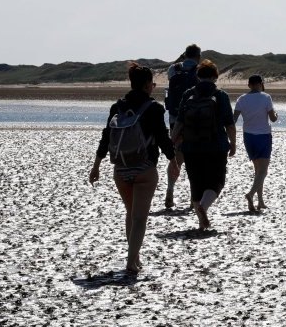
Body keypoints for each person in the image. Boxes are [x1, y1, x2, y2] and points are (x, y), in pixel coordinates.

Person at [89, 62, 176, 279]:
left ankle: (134, 257)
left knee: (131, 213)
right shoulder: (154, 108)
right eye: (152, 83)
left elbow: (106, 136)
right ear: (148, 85)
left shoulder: (117, 107)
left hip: (121, 169)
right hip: (145, 169)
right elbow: (162, 138)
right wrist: (173, 160)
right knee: (139, 218)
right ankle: (131, 261)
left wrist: (97, 164)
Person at [170, 59, 236, 232]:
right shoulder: (221, 95)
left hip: (191, 146)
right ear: (215, 76)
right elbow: (229, 124)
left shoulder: (188, 94)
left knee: (196, 182)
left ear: (198, 76)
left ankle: (201, 220)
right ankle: (203, 208)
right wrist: (233, 143)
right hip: (216, 146)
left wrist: (172, 141)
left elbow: (179, 122)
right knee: (216, 181)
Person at [163, 44, 202, 209]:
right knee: (194, 158)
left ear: (185, 55)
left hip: (175, 119)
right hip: (195, 119)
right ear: (198, 56)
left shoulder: (174, 68)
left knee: (177, 155)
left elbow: (170, 73)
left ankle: (170, 190)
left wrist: (181, 58)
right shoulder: (200, 69)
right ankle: (194, 198)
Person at [233, 75, 279, 214]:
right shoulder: (266, 97)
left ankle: (260, 201)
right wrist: (276, 114)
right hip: (263, 136)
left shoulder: (241, 99)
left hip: (248, 137)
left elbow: (233, 120)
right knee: (263, 171)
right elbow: (273, 118)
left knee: (258, 170)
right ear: (260, 84)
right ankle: (251, 194)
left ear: (249, 85)